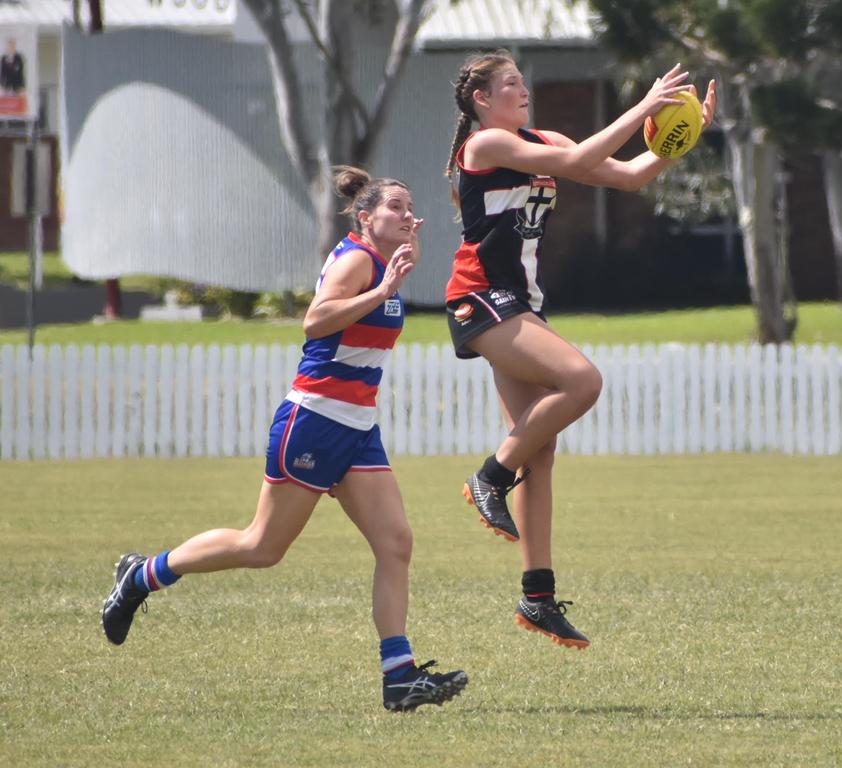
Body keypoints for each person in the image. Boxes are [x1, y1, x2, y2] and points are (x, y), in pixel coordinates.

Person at [101, 167, 468, 713]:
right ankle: (142, 576)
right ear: (365, 218)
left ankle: (400, 675)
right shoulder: (357, 261)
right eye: (396, 207)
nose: (408, 215)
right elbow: (315, 322)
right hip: (316, 420)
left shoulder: (380, 263)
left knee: (395, 544)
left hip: (357, 428)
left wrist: (392, 284)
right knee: (262, 546)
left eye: (411, 208)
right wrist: (386, 290)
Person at [444, 51, 716, 649]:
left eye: (523, 80)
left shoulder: (540, 138)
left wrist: (680, 137)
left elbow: (625, 175)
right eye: (510, 83)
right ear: (481, 101)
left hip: (522, 305)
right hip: (483, 298)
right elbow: (572, 161)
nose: (523, 90)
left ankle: (537, 598)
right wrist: (644, 107)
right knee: (583, 381)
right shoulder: (486, 146)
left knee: (541, 452)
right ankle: (490, 477)